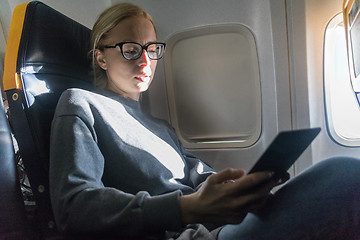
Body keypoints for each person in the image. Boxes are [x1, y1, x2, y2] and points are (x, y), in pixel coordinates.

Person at [49, 2, 360, 240]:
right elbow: (74, 206)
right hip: (191, 235)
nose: (145, 61)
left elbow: (198, 176)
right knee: (344, 175)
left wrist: (239, 189)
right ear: (101, 57)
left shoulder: (159, 127)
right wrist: (186, 208)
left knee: (338, 178)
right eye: (131, 50)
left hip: (216, 224)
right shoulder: (81, 104)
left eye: (152, 49)